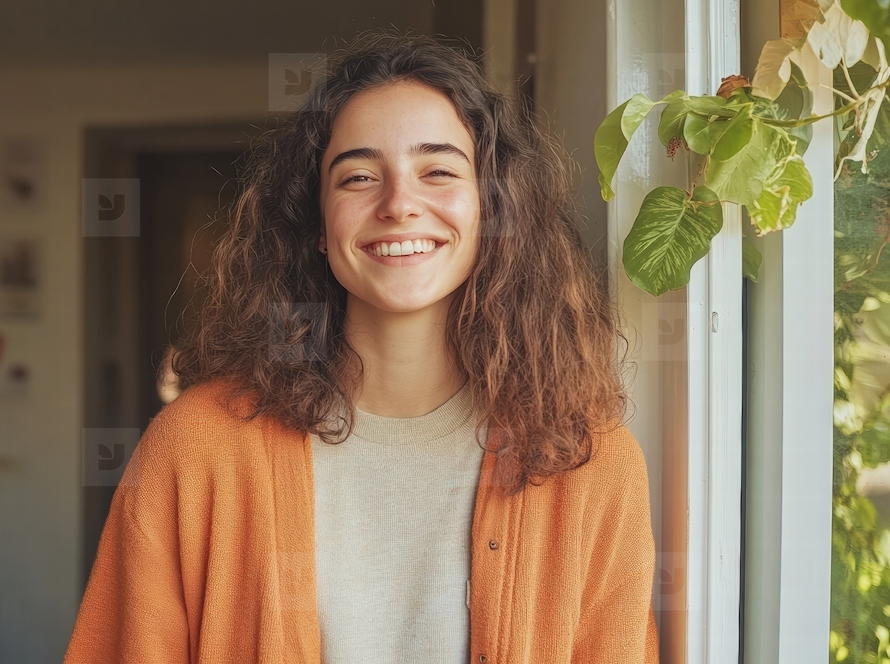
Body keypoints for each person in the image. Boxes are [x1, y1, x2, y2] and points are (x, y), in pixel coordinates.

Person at [64, 27, 659, 664]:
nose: (400, 204)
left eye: (437, 171)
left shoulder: (586, 459)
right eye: (357, 177)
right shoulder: (194, 450)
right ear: (316, 224)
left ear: (492, 210)